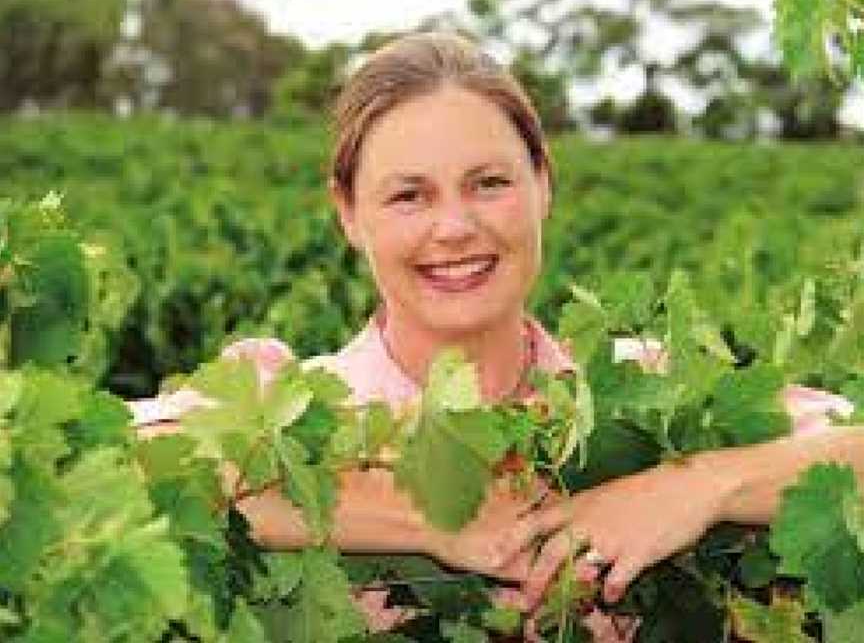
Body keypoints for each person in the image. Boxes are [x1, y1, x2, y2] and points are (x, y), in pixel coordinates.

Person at [130, 31, 864, 639]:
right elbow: (78, 466)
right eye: (409, 194)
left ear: (543, 183)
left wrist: (695, 485)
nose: (455, 228)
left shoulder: (654, 404)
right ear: (349, 214)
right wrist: (424, 512)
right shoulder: (287, 410)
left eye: (489, 183)